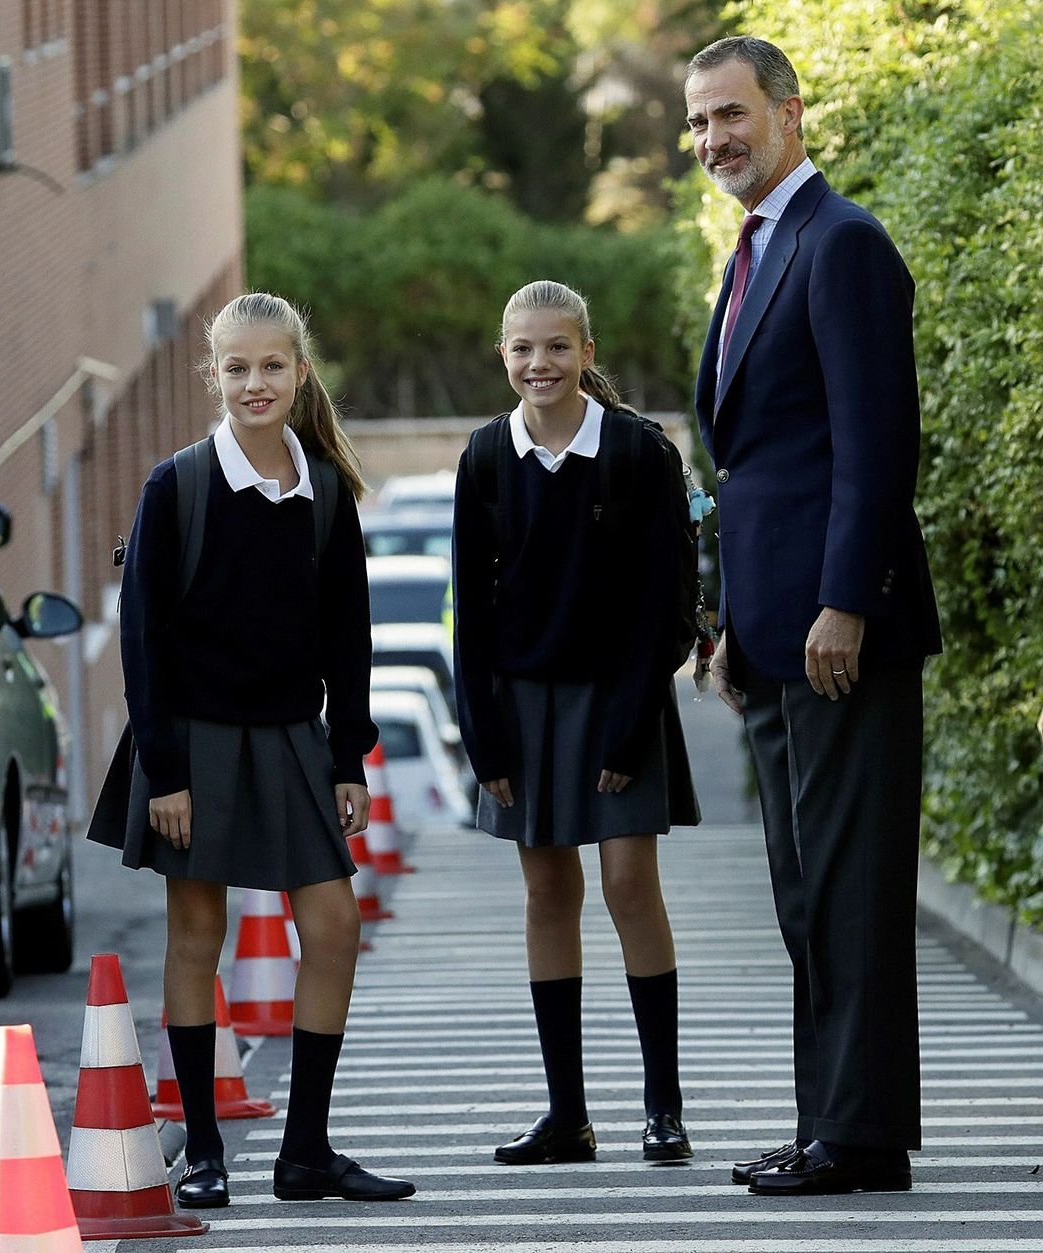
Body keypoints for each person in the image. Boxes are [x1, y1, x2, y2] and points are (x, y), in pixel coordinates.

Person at [88, 292, 415, 1208]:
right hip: (189, 744)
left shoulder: (323, 495)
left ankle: (305, 1150)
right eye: (237, 368)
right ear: (214, 376)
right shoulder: (176, 485)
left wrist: (348, 753)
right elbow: (143, 640)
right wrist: (166, 771)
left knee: (335, 927)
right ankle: (202, 1151)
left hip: (294, 744)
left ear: (300, 374)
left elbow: (351, 635)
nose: (255, 382)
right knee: (198, 934)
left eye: (272, 366)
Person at [685, 37, 941, 1194]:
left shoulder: (842, 243)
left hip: (843, 632)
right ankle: (830, 1121)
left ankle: (863, 1133)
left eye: (730, 115)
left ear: (791, 113)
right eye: (696, 124)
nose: (712, 140)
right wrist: (733, 621)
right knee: (803, 894)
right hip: (775, 634)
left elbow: (876, 449)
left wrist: (843, 600)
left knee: (848, 890)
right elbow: (756, 462)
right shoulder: (754, 249)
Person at [452, 280, 702, 1169]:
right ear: (502, 355)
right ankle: (568, 1115)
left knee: (631, 884)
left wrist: (633, 721)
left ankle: (663, 1108)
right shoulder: (483, 457)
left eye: (557, 346)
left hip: (619, 698)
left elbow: (671, 601)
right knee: (548, 893)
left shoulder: (639, 452)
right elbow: (471, 614)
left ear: (589, 354)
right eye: (522, 349)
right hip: (521, 705)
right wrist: (482, 733)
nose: (539, 364)